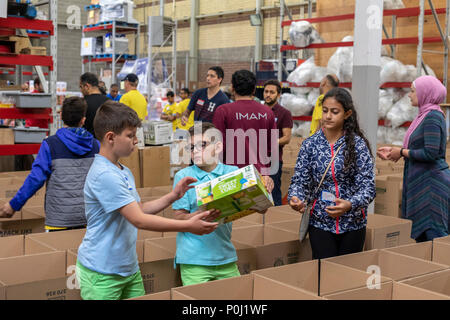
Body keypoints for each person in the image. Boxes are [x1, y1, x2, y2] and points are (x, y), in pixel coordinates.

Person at [76, 101, 218, 300]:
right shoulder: (103, 174)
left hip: (127, 267)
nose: (136, 141)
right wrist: (186, 226)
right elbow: (139, 220)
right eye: (130, 135)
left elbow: (140, 209)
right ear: (110, 137)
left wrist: (173, 196)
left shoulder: (122, 170)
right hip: (102, 271)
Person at [288, 88, 375, 260]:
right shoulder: (310, 145)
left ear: (347, 114)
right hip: (320, 221)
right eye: (325, 110)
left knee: (348, 274)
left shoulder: (357, 145)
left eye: (335, 112)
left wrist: (349, 204)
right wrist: (296, 197)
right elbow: (300, 180)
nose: (328, 116)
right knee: (323, 273)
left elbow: (368, 187)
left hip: (353, 222)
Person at [173, 122, 261, 286]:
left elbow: (257, 207)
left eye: (202, 145)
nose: (196, 151)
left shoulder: (232, 172)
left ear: (218, 147)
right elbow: (178, 218)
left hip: (225, 256)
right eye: (191, 148)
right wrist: (200, 214)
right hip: (194, 259)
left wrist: (261, 194)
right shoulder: (183, 176)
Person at [0, 97, 100, 233]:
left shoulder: (50, 145)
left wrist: (14, 205)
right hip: (89, 219)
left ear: (61, 116)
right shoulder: (96, 146)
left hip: (59, 219)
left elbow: (36, 179)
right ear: (83, 120)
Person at [377, 76, 449, 242]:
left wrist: (402, 152)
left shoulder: (432, 117)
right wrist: (396, 152)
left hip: (431, 187)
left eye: (412, 91)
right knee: (424, 239)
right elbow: (417, 149)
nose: (409, 95)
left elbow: (431, 153)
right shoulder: (423, 115)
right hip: (423, 183)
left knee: (433, 239)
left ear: (425, 93)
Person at [212, 69, 276, 193]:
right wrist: (266, 173)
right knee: (256, 211)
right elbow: (271, 147)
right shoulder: (267, 112)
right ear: (253, 90)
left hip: (230, 176)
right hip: (258, 176)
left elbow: (218, 146)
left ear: (232, 88)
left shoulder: (223, 111)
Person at [263, 79, 293, 206]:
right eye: (266, 92)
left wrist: (271, 142)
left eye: (272, 92)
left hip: (274, 160)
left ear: (278, 95)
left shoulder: (284, 113)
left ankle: (276, 217)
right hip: (256, 158)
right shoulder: (257, 111)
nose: (268, 95)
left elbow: (287, 137)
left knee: (273, 192)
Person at [80, 72, 110, 137]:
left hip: (87, 142)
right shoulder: (109, 102)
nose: (80, 90)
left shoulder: (82, 103)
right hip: (106, 143)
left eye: (81, 87)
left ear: (86, 86)